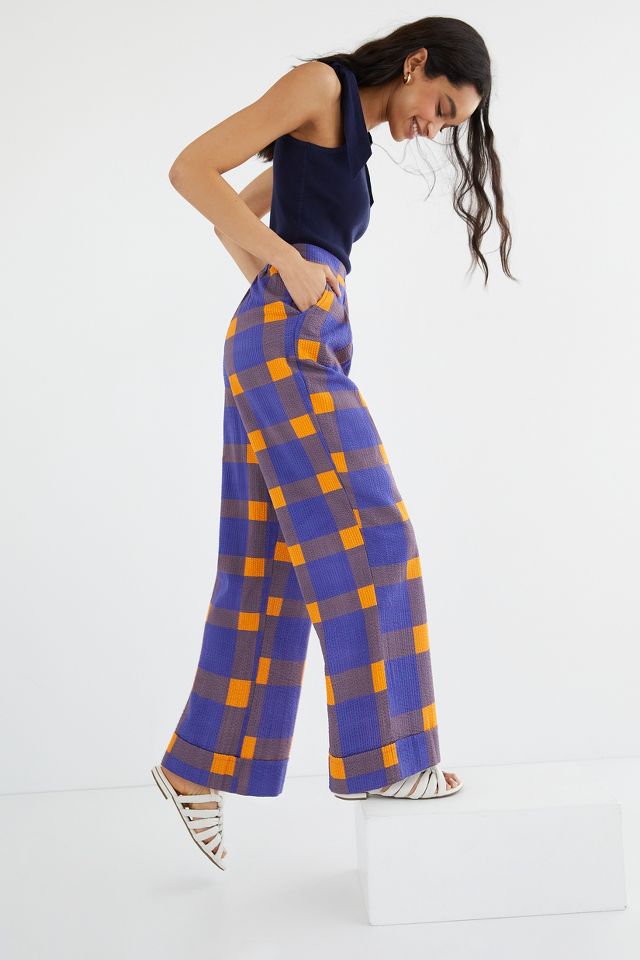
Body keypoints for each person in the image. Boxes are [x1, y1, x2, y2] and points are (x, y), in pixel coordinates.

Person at [151, 16, 515, 871]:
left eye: (452, 124)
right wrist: (288, 273)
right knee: (375, 531)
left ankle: (195, 766)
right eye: (443, 105)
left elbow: (234, 219)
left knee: (269, 564)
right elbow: (192, 170)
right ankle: (388, 759)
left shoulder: (344, 146)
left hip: (294, 331)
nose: (435, 126)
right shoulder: (321, 88)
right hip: (288, 339)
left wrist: (290, 284)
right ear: (417, 62)